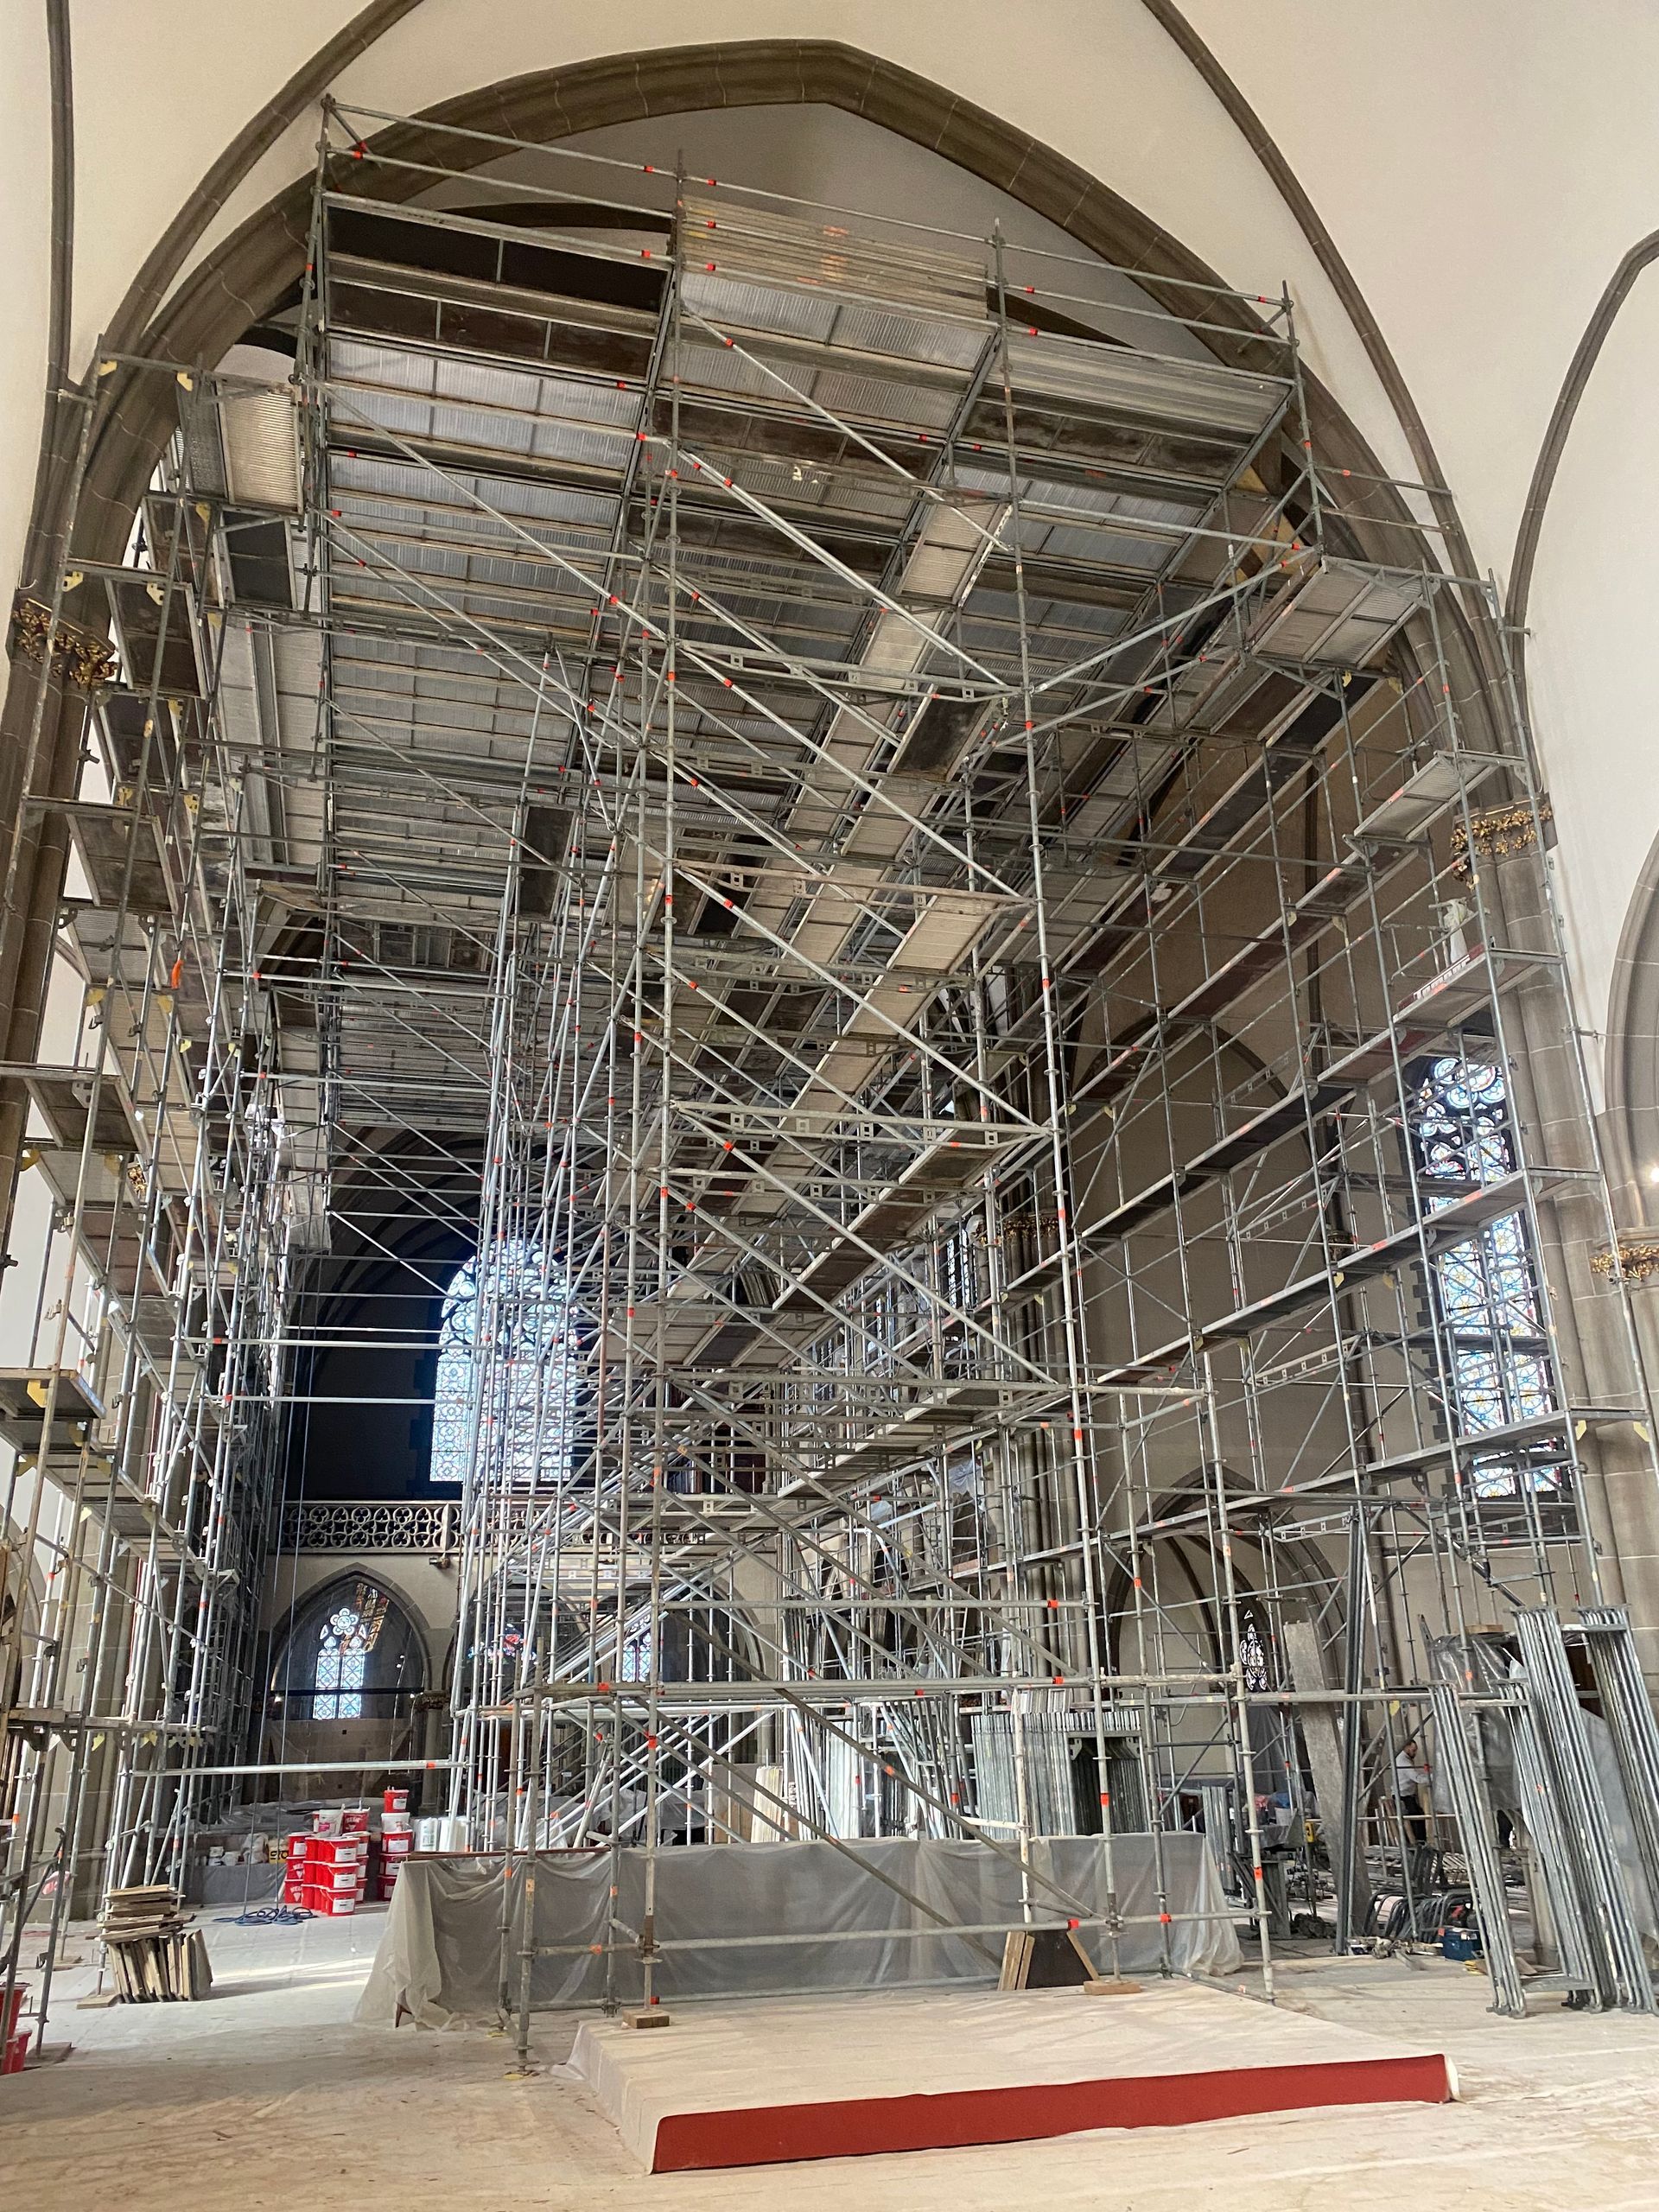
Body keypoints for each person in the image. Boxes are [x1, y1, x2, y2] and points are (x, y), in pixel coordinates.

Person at [1395, 1735, 1431, 1848]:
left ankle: (1420, 1844)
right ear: (1406, 1747)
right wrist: (1434, 1777)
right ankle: (1417, 1845)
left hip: (1407, 1795)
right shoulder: (1403, 1761)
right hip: (1403, 1796)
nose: (1415, 1753)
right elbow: (1416, 1777)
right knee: (1414, 1820)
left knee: (1418, 1817)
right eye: (1413, 1750)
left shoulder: (1406, 1759)